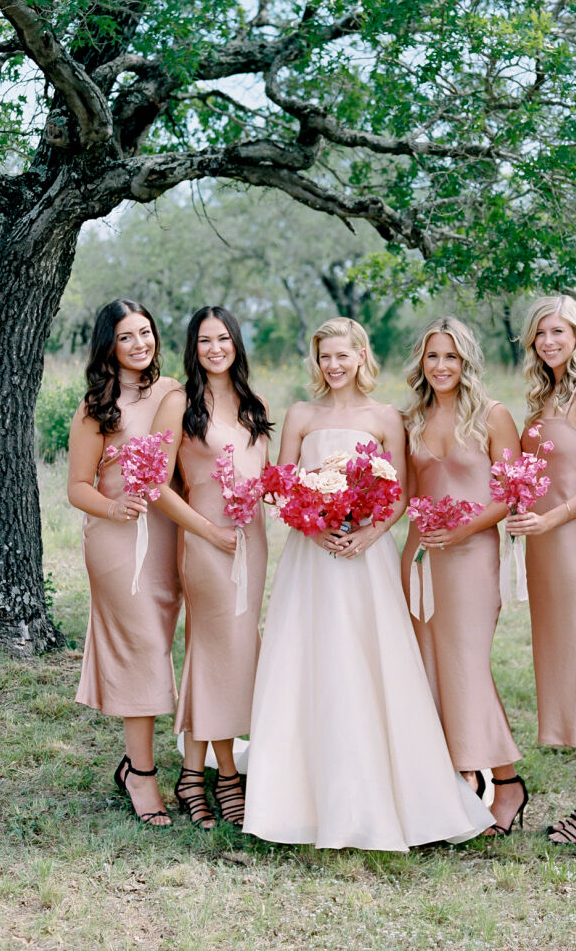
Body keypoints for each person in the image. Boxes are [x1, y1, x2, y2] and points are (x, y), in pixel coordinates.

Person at [242, 317, 493, 850]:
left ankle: (385, 790)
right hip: (310, 558)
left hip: (367, 556)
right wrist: (313, 521)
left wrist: (367, 535)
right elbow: (282, 486)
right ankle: (297, 795)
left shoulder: (386, 417)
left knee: (368, 662)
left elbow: (399, 493)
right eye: (324, 357)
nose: (334, 366)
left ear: (361, 356)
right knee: (307, 663)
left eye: (343, 356)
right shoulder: (301, 415)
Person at [400, 316, 528, 836]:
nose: (441, 365)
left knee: (467, 665)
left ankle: (509, 781)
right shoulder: (411, 418)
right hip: (419, 558)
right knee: (430, 666)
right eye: (432, 356)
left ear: (466, 361)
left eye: (450, 356)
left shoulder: (493, 417)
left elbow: (510, 492)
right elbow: (405, 492)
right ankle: (461, 777)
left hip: (472, 556)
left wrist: (460, 531)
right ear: (421, 362)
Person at [507, 297, 576, 843]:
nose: (549, 341)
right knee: (560, 664)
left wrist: (551, 518)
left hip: (574, 543)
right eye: (540, 333)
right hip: (542, 547)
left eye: (559, 331)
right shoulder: (543, 393)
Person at [152, 307, 271, 828]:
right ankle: (222, 776)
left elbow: (266, 476)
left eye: (223, 339)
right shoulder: (181, 402)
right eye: (204, 341)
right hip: (206, 542)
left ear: (236, 344)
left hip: (253, 543)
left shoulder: (254, 404)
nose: (215, 348)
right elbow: (156, 485)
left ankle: (193, 775)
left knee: (234, 656)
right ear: (193, 348)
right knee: (214, 653)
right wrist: (208, 531)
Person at [67, 299, 181, 826]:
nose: (140, 344)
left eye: (145, 333)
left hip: (163, 536)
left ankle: (137, 766)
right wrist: (113, 507)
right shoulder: (96, 407)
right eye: (126, 337)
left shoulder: (171, 391)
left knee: (157, 644)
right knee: (145, 649)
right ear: (109, 346)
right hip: (115, 541)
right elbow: (76, 487)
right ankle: (142, 775)